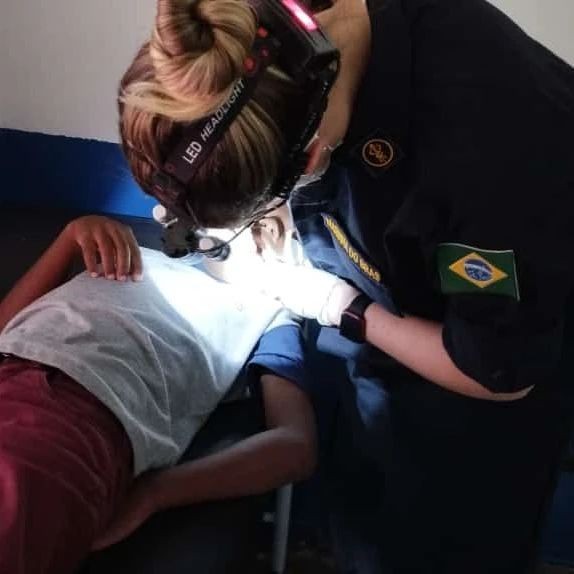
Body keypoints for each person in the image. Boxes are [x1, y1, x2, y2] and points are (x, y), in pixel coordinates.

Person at [117, 0, 574, 571]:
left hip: (480, 416)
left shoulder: (486, 155)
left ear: (309, 155)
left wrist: (338, 305)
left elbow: (498, 371)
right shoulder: (276, 41)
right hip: (379, 366)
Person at [0, 215, 316, 574]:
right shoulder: (131, 251)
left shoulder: (271, 310)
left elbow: (296, 445)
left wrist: (156, 493)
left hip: (77, 419)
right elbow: (7, 332)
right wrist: (69, 238)